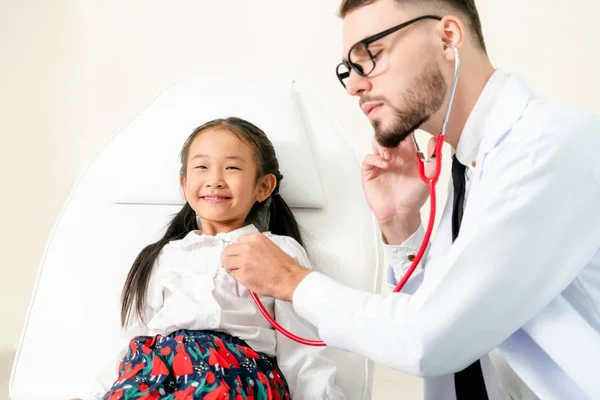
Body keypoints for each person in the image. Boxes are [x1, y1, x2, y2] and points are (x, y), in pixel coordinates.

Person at [221, 0, 600, 399]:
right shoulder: (472, 163)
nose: (353, 85)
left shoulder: (545, 148)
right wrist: (401, 222)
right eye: (349, 68)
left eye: (372, 55)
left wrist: (291, 281)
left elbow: (432, 339)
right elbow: (455, 313)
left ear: (448, 36)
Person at [75, 117, 345, 400]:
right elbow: (131, 337)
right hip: (155, 376)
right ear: (184, 183)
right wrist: (94, 394)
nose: (214, 180)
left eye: (232, 168)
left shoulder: (278, 252)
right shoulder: (162, 256)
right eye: (202, 167)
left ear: (263, 187)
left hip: (234, 376)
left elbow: (301, 349)